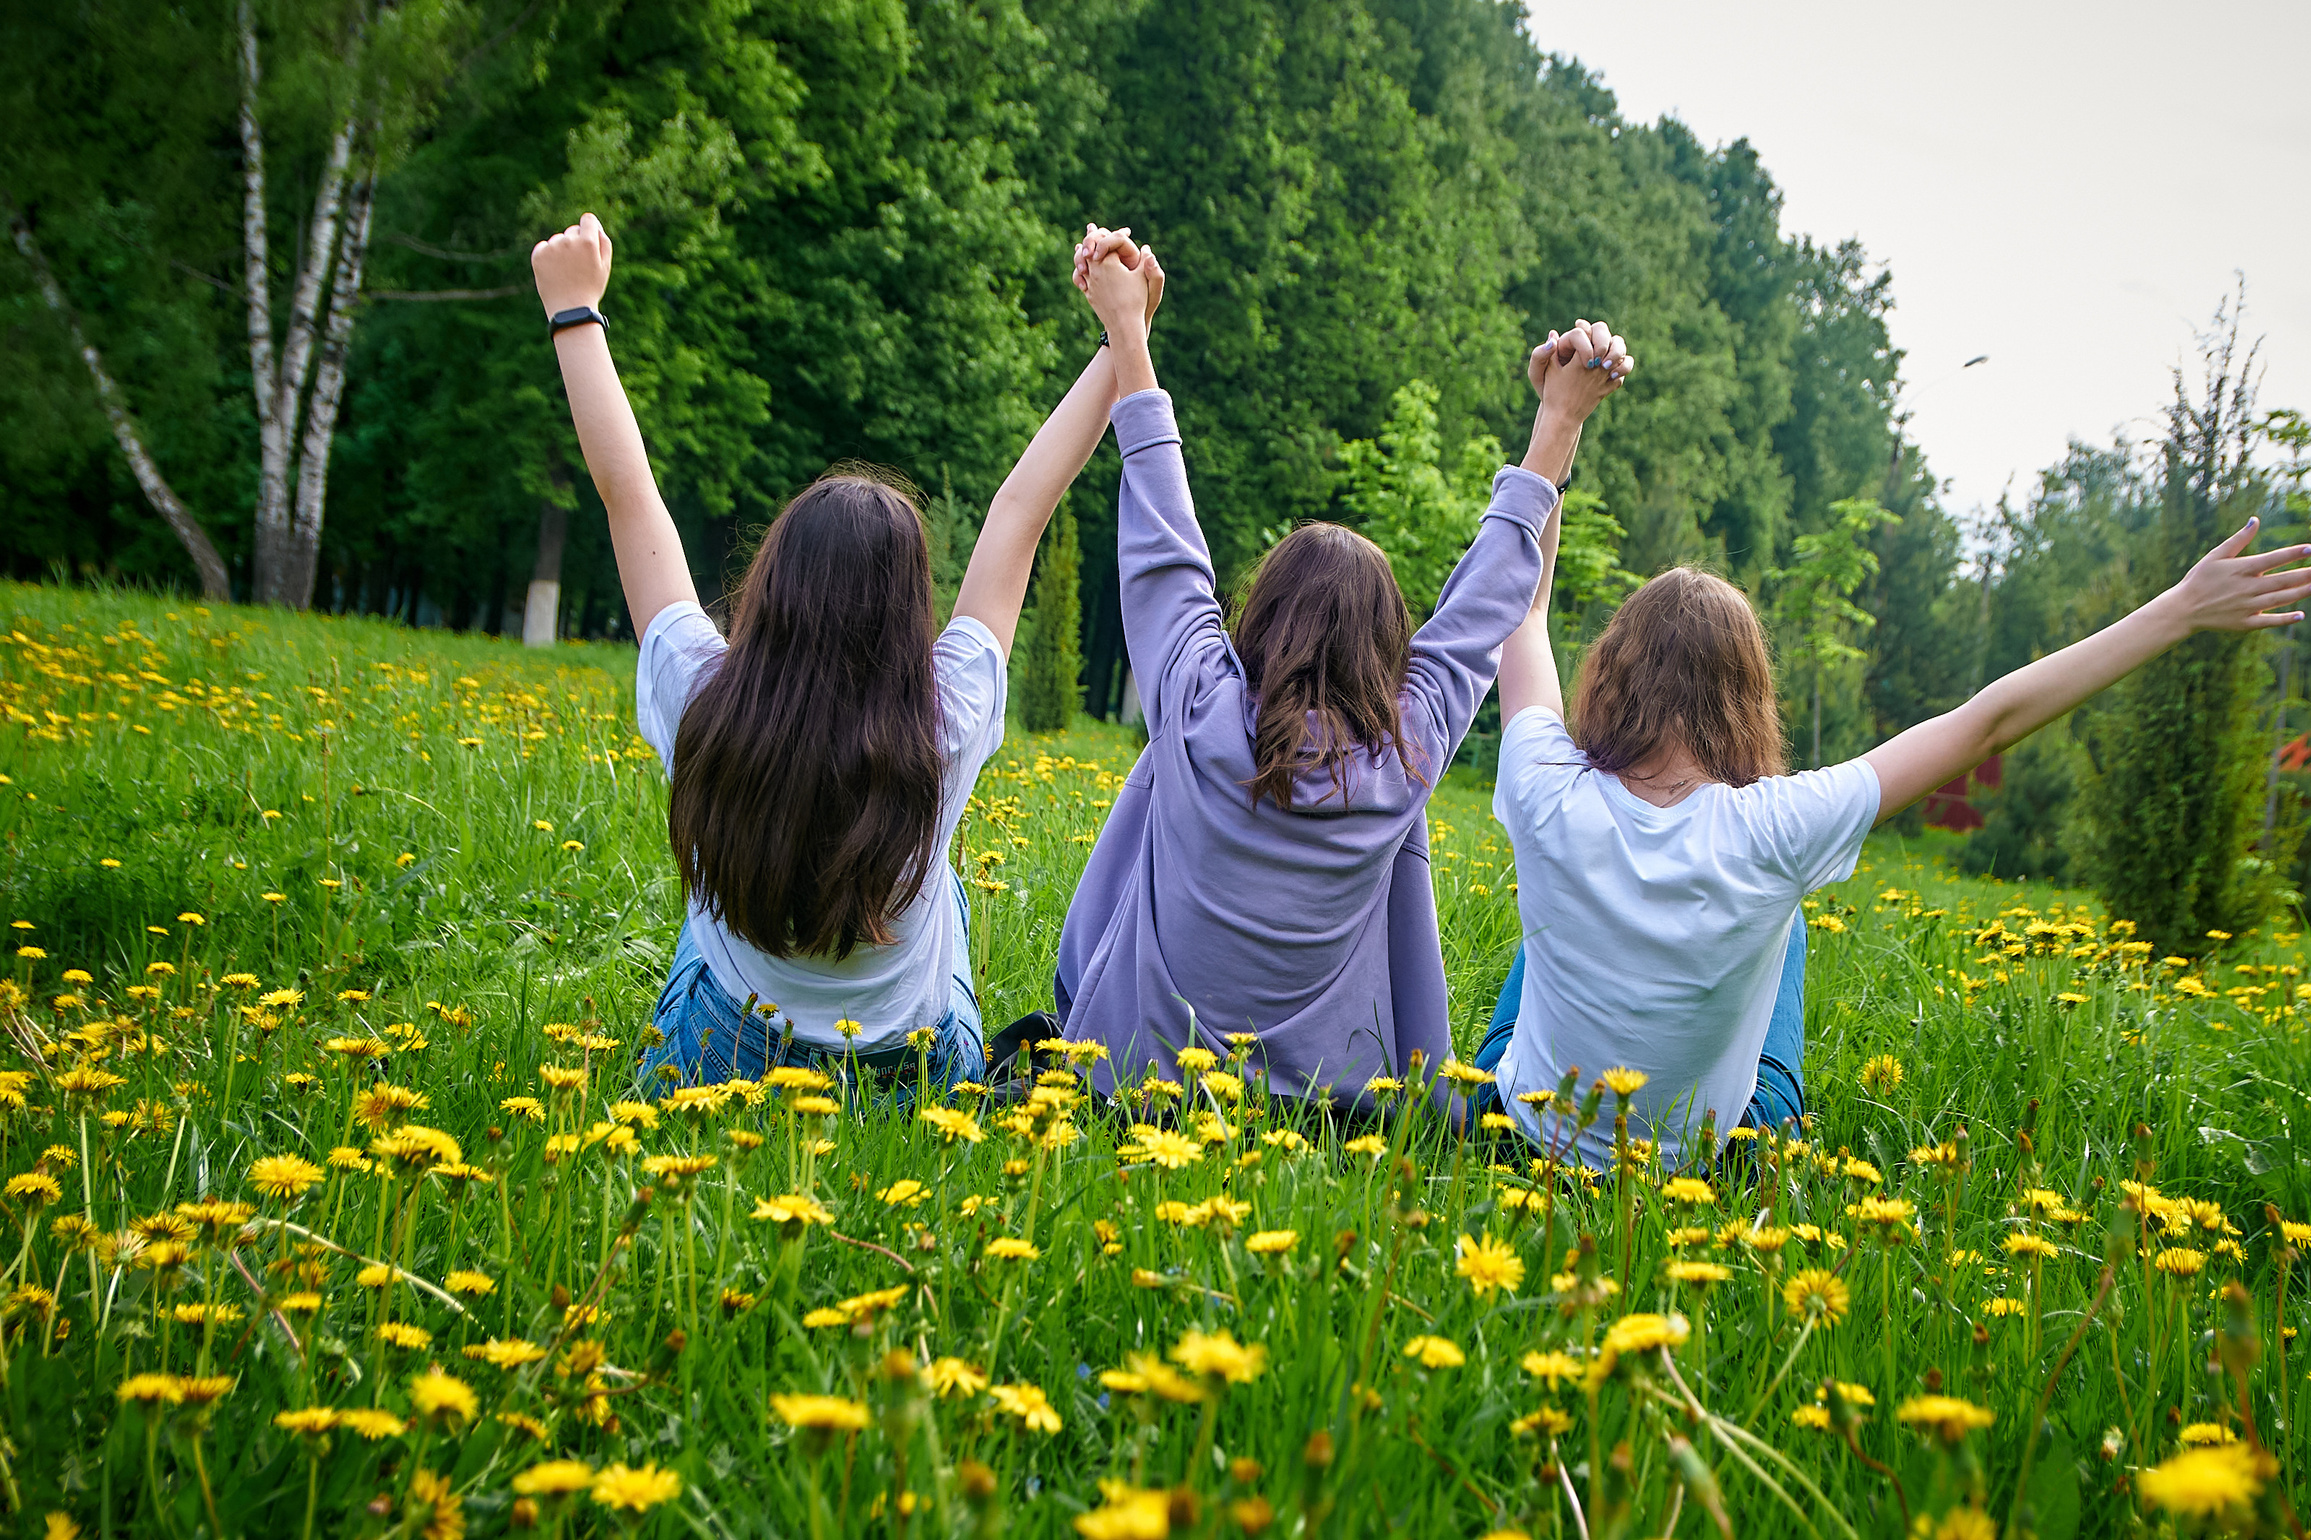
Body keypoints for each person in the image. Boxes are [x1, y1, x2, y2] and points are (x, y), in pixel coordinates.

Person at [1479, 499, 2311, 1170]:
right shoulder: (1780, 828)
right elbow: (1988, 723)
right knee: (1787, 915)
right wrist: (2178, 611)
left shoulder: (1546, 787)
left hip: (1524, 1136)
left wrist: (1559, 429)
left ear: (1614, 671)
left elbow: (1528, 607)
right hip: (1707, 1164)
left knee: (1560, 882)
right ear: (1746, 696)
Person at [529, 212, 1159, 1092]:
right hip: (911, 1070)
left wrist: (574, 312)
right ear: (908, 613)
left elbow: (627, 495)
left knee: (714, 885)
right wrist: (1121, 337)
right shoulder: (945, 722)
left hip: (724, 1053)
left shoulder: (700, 698)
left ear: (774, 583)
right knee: (946, 890)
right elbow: (1022, 511)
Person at [1049, 233, 1631, 1105]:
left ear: (1258, 619)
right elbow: (1485, 606)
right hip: (1329, 1109)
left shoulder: (1199, 705)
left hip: (1131, 1091)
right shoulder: (1409, 752)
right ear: (1388, 651)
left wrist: (1128, 330)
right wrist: (1559, 422)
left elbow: (1163, 534)